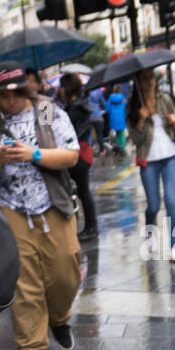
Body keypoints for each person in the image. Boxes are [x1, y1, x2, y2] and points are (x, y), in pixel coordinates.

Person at [0, 68, 83, 350]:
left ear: (27, 89)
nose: (9, 102)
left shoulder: (47, 110)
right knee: (24, 279)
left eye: (15, 94)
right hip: (10, 207)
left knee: (66, 270)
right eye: (3, 96)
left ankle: (59, 317)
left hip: (52, 202)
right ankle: (31, 347)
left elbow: (71, 155)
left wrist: (33, 154)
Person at [127, 68, 175, 262]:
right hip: (148, 159)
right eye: (146, 78)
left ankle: (174, 245)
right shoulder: (133, 107)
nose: (151, 81)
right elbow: (135, 139)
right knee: (153, 205)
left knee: (171, 201)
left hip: (170, 156)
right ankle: (150, 234)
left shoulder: (164, 100)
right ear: (139, 83)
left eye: (152, 77)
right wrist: (141, 120)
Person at [56, 74, 99, 241]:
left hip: (77, 154)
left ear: (66, 88)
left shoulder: (73, 109)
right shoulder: (80, 106)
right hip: (83, 152)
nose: (59, 90)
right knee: (83, 191)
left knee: (77, 191)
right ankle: (90, 227)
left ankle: (87, 227)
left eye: (61, 86)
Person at [106, 84, 128, 153]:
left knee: (117, 133)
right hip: (121, 118)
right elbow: (126, 107)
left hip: (113, 119)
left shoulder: (110, 98)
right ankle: (122, 148)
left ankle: (117, 148)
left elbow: (107, 110)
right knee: (121, 133)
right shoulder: (123, 98)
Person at [88, 85, 107, 153]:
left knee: (89, 135)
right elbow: (104, 104)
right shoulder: (98, 92)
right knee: (99, 134)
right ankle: (102, 150)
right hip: (98, 116)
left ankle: (89, 151)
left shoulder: (86, 92)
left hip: (89, 116)